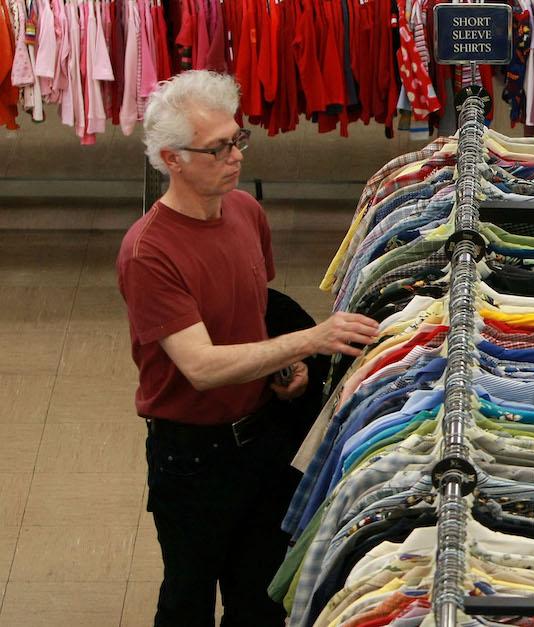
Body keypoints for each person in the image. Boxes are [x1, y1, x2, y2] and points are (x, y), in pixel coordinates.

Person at [116, 70, 379, 627]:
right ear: (171, 159)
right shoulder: (149, 252)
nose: (234, 157)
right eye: (216, 149)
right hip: (192, 458)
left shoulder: (246, 213)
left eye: (238, 140)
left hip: (262, 439)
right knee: (187, 597)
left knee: (260, 598)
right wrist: (310, 339)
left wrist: (287, 369)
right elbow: (202, 367)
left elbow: (252, 314)